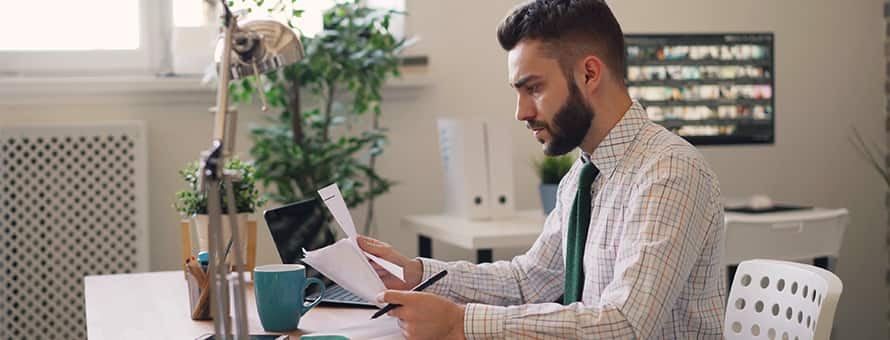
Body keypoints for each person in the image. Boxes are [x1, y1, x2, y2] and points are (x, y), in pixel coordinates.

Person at [358, 0, 726, 338]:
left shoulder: (669, 171)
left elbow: (625, 324)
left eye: (533, 88)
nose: (521, 112)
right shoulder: (582, 179)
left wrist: (460, 322)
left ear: (589, 74)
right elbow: (526, 282)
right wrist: (416, 274)